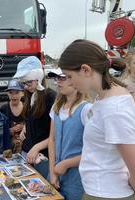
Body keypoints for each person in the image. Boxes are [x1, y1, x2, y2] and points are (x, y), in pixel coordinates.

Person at [59, 39, 135, 200]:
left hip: (109, 193)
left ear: (85, 70)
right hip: (100, 190)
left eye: (69, 76)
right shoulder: (104, 99)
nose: (70, 83)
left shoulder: (114, 108)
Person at [47, 68, 92, 200]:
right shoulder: (56, 107)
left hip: (77, 179)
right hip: (56, 174)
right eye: (57, 78)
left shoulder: (87, 110)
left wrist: (66, 163)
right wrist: (52, 171)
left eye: (63, 78)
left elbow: (95, 150)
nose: (58, 82)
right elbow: (52, 140)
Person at [13, 56, 56, 179]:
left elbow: (57, 134)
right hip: (27, 152)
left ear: (39, 78)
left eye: (29, 82)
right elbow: (31, 116)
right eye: (23, 83)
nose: (26, 87)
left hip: (43, 156)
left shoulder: (51, 98)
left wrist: (37, 147)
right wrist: (25, 127)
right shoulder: (29, 95)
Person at [0, 79, 24, 153]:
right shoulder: (3, 108)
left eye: (17, 92)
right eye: (11, 93)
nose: (14, 95)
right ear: (7, 94)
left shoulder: (27, 107)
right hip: (7, 146)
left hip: (24, 144)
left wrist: (23, 127)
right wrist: (8, 131)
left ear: (22, 93)